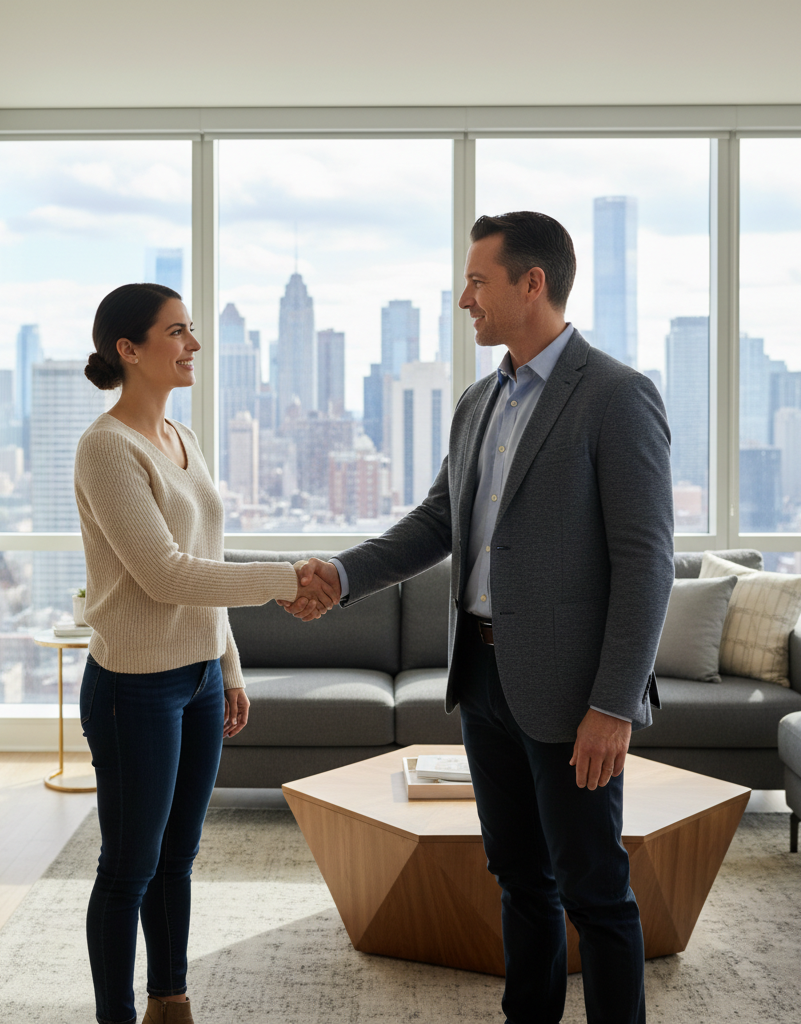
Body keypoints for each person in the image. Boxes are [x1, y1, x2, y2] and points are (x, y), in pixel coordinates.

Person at [286, 212, 674, 1024]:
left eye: (477, 280)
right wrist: (344, 573)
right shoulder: (478, 401)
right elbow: (437, 522)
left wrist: (612, 706)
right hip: (485, 676)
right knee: (518, 878)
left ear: (532, 284)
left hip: (573, 696)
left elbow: (646, 565)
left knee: (595, 891)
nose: (465, 298)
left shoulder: (615, 395)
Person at [74, 282, 338, 1024]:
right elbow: (165, 574)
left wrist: (227, 668)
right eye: (177, 332)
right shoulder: (107, 448)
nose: (193, 345)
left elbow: (205, 555)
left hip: (195, 681)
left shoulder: (182, 437)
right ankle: (114, 1016)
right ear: (129, 350)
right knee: (129, 868)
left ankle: (170, 998)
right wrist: (288, 578)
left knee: (177, 857)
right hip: (135, 689)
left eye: (192, 330)